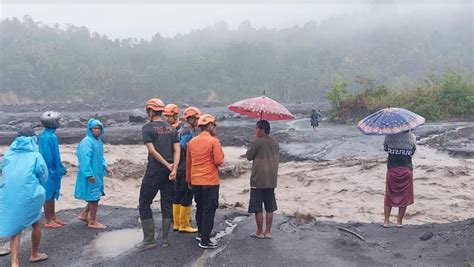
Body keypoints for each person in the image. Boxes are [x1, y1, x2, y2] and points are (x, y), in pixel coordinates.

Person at [0, 128, 49, 266]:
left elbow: (4, 171)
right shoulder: (36, 156)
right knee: (36, 223)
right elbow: (43, 175)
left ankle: (14, 262)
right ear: (33, 139)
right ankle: (35, 254)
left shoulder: (9, 154)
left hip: (9, 193)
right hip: (30, 193)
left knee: (16, 228)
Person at [137, 98, 180, 249]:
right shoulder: (172, 129)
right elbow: (177, 150)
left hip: (155, 170)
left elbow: (152, 151)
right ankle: (166, 240)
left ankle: (149, 240)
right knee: (166, 202)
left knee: (144, 203)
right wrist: (173, 168)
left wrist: (166, 164)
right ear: (161, 112)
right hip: (169, 172)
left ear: (149, 111)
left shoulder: (147, 128)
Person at [186, 114, 224, 249]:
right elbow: (219, 161)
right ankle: (205, 240)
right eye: (214, 125)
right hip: (210, 181)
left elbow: (189, 164)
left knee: (200, 207)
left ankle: (201, 233)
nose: (215, 128)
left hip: (196, 180)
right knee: (209, 209)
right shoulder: (214, 141)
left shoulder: (191, 142)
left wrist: (189, 180)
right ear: (209, 126)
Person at [74, 119, 112, 229]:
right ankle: (92, 221)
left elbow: (100, 157)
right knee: (94, 196)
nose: (97, 130)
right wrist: (88, 174)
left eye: (99, 128)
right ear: (90, 129)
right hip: (91, 173)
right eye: (94, 128)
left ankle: (84, 214)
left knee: (95, 195)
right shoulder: (87, 142)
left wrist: (106, 167)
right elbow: (84, 159)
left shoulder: (98, 142)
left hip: (97, 172)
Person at [246, 120, 280, 239]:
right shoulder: (275, 142)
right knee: (269, 207)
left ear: (262, 130)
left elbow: (249, 157)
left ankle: (259, 232)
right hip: (271, 179)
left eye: (257, 129)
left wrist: (252, 143)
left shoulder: (257, 142)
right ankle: (268, 232)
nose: (256, 131)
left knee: (258, 208)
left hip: (258, 179)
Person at [172, 107, 201, 233]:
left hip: (178, 166)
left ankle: (177, 223)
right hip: (184, 167)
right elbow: (182, 147)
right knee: (187, 194)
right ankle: (184, 225)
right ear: (191, 119)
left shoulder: (181, 130)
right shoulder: (188, 132)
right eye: (197, 118)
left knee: (177, 195)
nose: (198, 121)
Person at [38, 111, 67, 228]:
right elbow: (49, 156)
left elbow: (56, 155)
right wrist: (55, 168)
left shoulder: (49, 135)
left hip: (52, 168)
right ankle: (49, 219)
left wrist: (59, 166)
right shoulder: (47, 137)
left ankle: (53, 217)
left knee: (53, 193)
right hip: (48, 169)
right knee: (48, 194)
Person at [382, 130, 416, 228]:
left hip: (392, 169)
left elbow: (385, 148)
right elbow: (412, 152)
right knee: (404, 195)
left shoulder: (389, 136)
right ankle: (399, 222)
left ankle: (386, 221)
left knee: (389, 195)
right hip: (406, 169)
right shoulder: (412, 137)